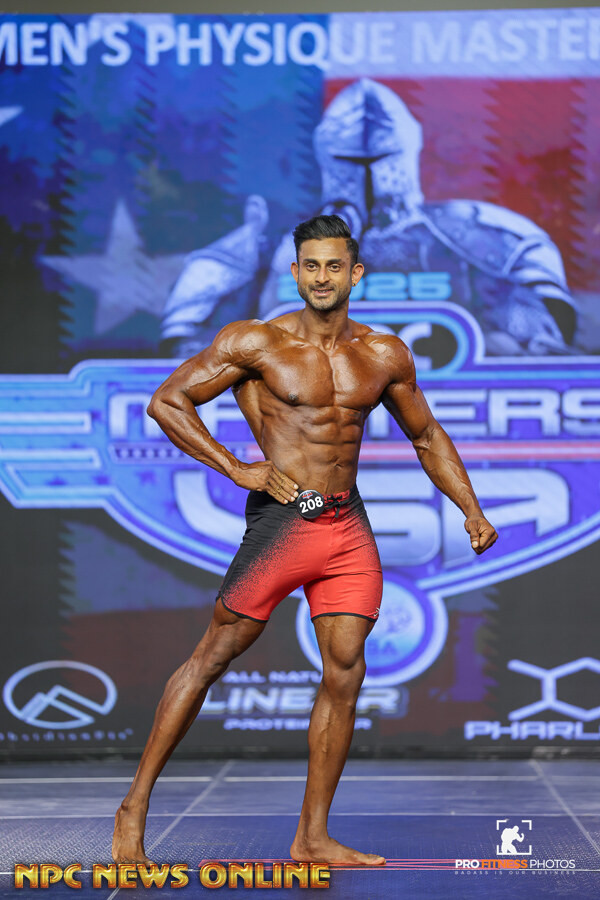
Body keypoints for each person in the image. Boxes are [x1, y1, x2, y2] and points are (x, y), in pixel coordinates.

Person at [112, 213, 497, 867]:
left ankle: (312, 837)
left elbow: (426, 435)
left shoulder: (383, 354)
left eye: (334, 266)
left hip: (347, 528)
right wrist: (236, 467)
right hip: (282, 524)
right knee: (212, 658)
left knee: (346, 671)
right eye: (311, 266)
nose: (322, 277)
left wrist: (471, 508)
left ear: (355, 273)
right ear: (295, 273)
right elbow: (168, 401)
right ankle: (133, 808)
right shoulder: (256, 342)